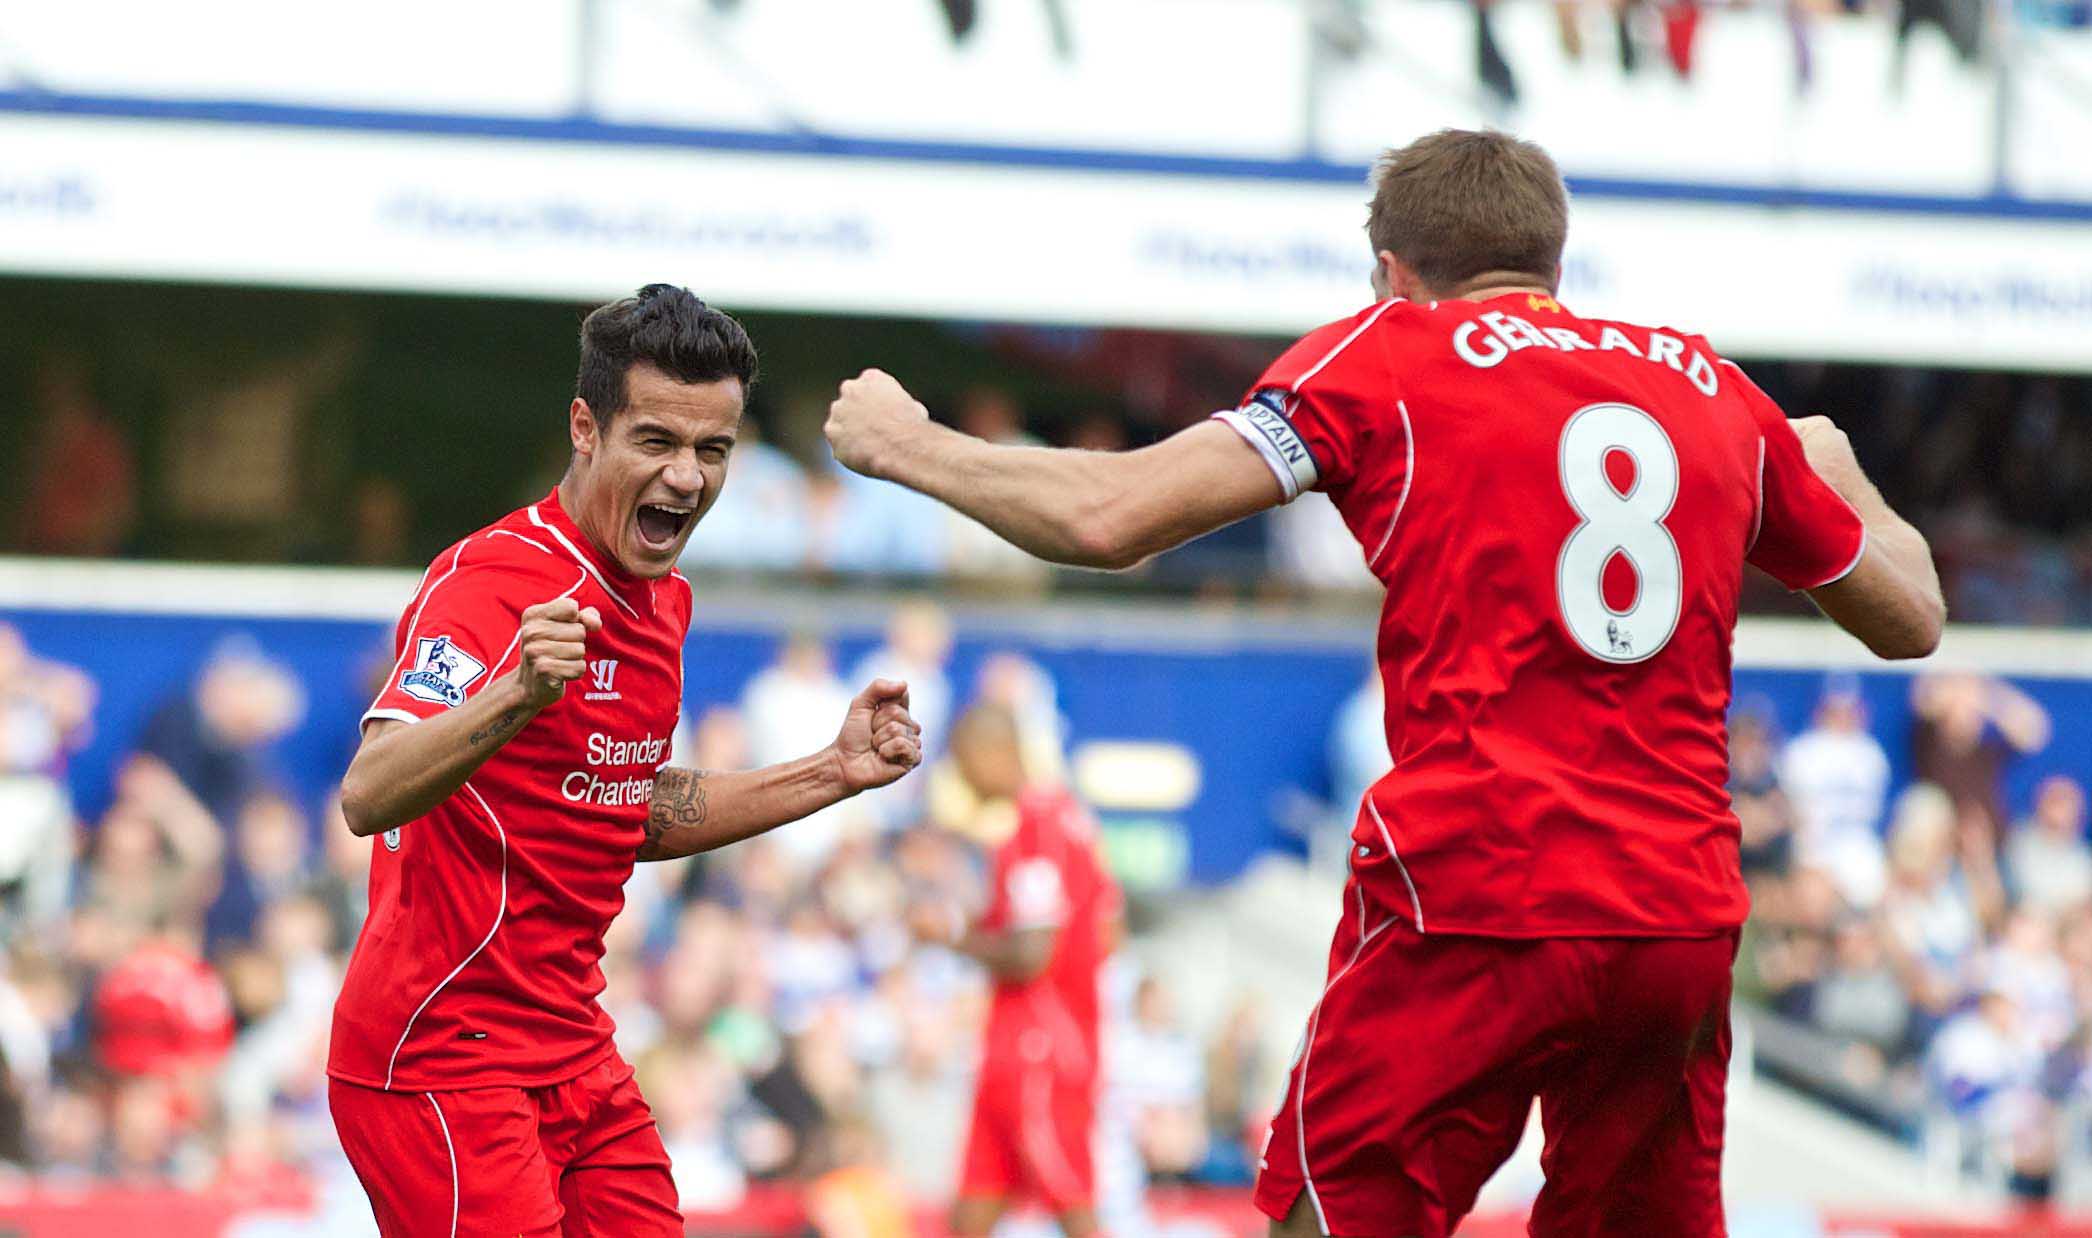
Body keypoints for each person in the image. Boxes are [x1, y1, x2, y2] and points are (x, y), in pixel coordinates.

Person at [824, 129, 1944, 1237]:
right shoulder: (1711, 386)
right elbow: (1912, 618)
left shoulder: (1392, 351)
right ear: (1555, 261)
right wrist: (1839, 472)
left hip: (1480, 889)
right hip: (1677, 918)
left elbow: (1108, 515)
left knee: (1333, 1212)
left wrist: (911, 443)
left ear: (1393, 273)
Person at [326, 284, 923, 1238]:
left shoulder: (662, 600)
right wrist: (513, 695)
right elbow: (369, 792)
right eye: (657, 441)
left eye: (712, 449)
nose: (686, 477)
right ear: (585, 428)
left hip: (571, 1047)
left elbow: (623, 808)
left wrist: (830, 772)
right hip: (442, 1057)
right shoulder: (493, 583)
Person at [912, 704, 1122, 1238]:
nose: (963, 780)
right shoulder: (1068, 820)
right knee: (975, 1203)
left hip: (1039, 1045)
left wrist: (952, 938)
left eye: (963, 764)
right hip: (1029, 1040)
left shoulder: (1036, 827)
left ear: (993, 752)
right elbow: (1106, 927)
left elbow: (1032, 954)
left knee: (1071, 1197)